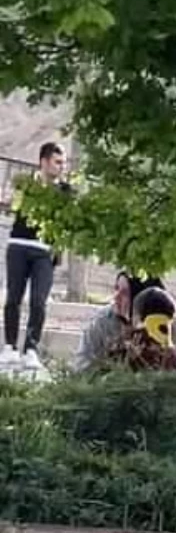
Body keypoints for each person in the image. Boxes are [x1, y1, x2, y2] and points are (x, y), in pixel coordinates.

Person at [3, 141, 71, 374]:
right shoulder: (26, 184)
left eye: (63, 163)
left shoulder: (65, 191)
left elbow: (66, 224)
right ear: (43, 161)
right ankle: (10, 346)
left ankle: (31, 349)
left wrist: (59, 252)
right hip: (19, 245)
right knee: (13, 297)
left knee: (39, 301)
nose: (61, 167)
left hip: (45, 250)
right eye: (57, 162)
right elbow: (16, 207)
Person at [72, 271, 176, 379]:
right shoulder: (102, 321)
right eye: (116, 289)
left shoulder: (163, 321)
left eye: (124, 293)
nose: (116, 297)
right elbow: (81, 364)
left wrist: (172, 373)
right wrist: (112, 377)